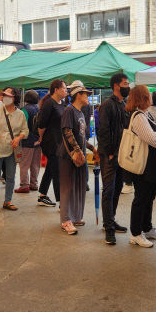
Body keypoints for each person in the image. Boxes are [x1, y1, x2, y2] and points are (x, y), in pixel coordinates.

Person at [125, 86, 156, 248]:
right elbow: (150, 138)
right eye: (148, 95)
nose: (151, 98)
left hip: (149, 164)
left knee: (149, 196)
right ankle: (136, 233)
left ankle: (146, 228)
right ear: (143, 98)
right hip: (143, 164)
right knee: (141, 198)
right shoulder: (138, 116)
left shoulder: (144, 114)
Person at [58, 81, 98, 234]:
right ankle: (65, 220)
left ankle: (74, 217)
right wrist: (77, 150)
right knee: (67, 188)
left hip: (78, 155)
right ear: (78, 95)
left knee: (77, 187)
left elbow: (80, 136)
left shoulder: (81, 112)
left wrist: (91, 148)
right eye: (85, 94)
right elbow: (67, 132)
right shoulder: (69, 110)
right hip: (68, 156)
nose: (88, 96)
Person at [97, 73, 131, 244]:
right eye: (126, 83)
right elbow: (102, 130)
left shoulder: (124, 104)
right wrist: (110, 152)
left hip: (122, 154)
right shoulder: (107, 105)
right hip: (109, 154)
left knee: (117, 188)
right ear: (117, 86)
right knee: (109, 190)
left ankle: (111, 220)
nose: (128, 85)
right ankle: (108, 229)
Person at [0, 87, 28, 215]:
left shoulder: (20, 114)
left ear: (15, 98)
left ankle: (7, 201)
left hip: (11, 149)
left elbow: (25, 131)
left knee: (10, 177)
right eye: (4, 95)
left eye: (8, 95)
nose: (5, 97)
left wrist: (19, 138)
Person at [36, 79, 67, 208]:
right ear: (56, 90)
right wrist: (41, 139)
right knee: (57, 172)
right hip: (50, 142)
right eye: (64, 88)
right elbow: (41, 124)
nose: (66, 91)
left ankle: (42, 195)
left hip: (59, 142)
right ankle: (62, 203)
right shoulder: (49, 104)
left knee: (50, 168)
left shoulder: (62, 103)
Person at [16, 90, 42, 193]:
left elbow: (22, 126)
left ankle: (24, 185)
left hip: (27, 141)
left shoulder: (24, 110)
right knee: (35, 164)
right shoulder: (39, 109)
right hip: (38, 140)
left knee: (24, 164)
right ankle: (34, 184)